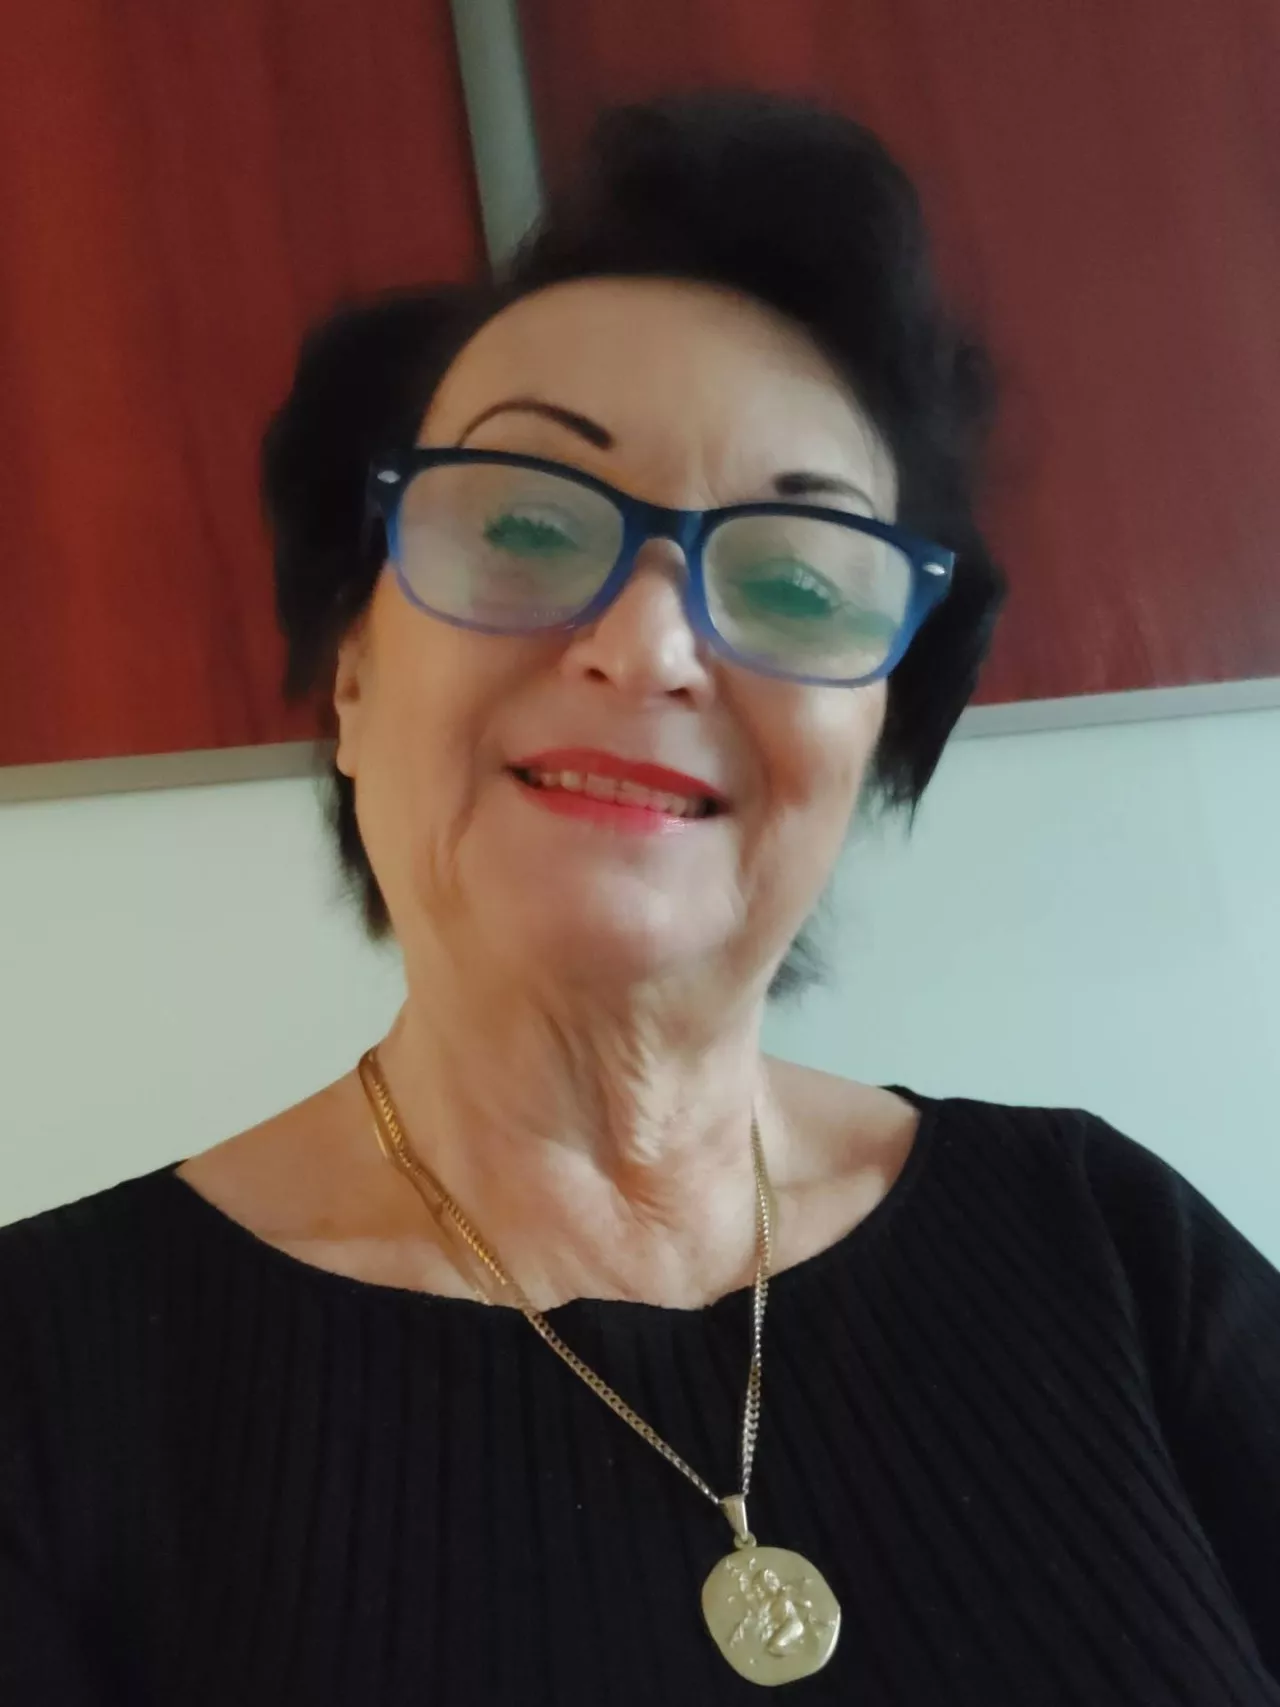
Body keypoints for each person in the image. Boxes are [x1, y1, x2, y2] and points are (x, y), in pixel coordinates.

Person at [1, 91, 1277, 1705]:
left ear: (875, 737)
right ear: (351, 679)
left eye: (795, 577)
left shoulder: (1104, 1240)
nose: (653, 645)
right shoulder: (45, 1381)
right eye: (527, 524)